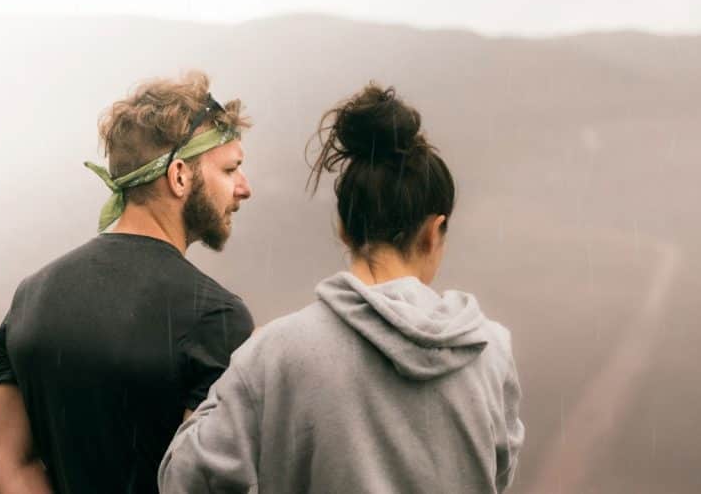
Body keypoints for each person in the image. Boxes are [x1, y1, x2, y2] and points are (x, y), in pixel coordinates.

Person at [159, 83, 524, 493]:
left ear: (344, 230)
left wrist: (239, 369)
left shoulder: (276, 353)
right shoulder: (490, 351)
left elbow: (184, 480)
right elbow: (498, 473)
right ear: (433, 232)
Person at [0, 71, 255, 494]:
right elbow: (201, 483)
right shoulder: (213, 316)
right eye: (231, 169)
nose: (244, 189)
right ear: (180, 176)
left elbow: (5, 460)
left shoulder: (31, 295)